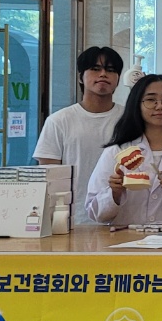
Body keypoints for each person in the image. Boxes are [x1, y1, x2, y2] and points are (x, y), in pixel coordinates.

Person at [86, 75, 162, 226]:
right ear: (137, 105)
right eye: (151, 100)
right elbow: (94, 213)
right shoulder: (116, 151)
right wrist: (114, 194)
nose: (160, 106)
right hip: (125, 239)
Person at [35, 46, 125, 227]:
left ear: (118, 79)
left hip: (121, 220)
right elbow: (48, 176)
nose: (103, 74)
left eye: (110, 70)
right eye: (95, 69)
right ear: (80, 77)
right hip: (72, 221)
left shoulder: (129, 119)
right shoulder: (59, 121)